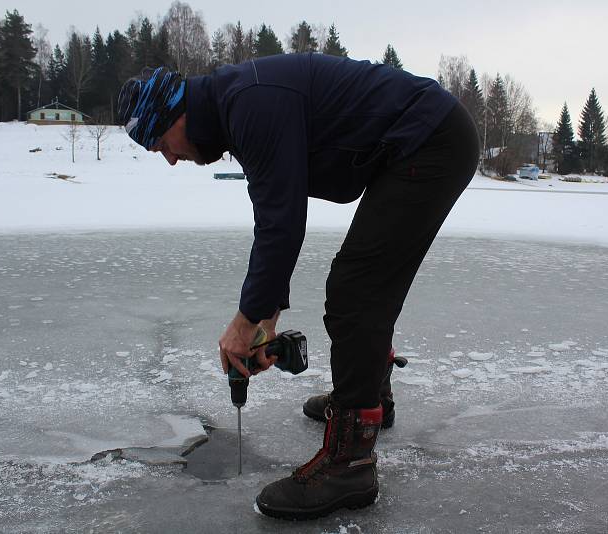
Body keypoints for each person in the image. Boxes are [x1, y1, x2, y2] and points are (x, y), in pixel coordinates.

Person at [117, 52, 478, 520]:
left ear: (176, 115)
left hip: (430, 141)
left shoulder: (250, 104)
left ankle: (351, 460)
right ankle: (369, 394)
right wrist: (265, 321)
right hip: (423, 140)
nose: (168, 158)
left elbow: (280, 225)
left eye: (160, 142)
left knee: (356, 290)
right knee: (364, 285)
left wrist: (244, 324)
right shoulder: (237, 105)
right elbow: (278, 214)